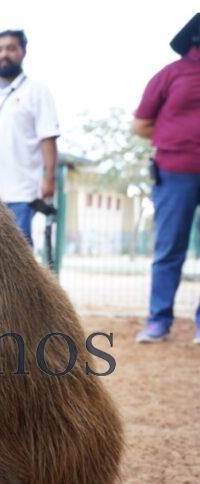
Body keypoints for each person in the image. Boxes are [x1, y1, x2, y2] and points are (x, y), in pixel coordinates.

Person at [133, 13, 200, 344]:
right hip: (175, 173)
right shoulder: (170, 75)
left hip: (177, 168)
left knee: (169, 250)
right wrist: (178, 139)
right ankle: (159, 320)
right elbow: (140, 124)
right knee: (169, 249)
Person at [0, 29, 60, 247]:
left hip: (21, 193)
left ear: (23, 52)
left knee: (16, 257)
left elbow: (48, 138)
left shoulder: (36, 92)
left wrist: (49, 178)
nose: (4, 54)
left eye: (11, 48)